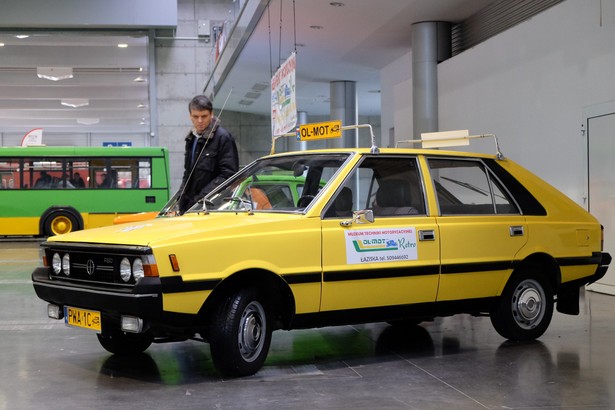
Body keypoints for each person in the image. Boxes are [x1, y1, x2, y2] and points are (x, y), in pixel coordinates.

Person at [178, 94, 239, 214]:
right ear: (190, 116)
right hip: (190, 206)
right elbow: (188, 173)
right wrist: (180, 197)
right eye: (196, 116)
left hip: (213, 207)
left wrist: (200, 200)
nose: (200, 121)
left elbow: (229, 175)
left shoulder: (223, 138)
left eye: (204, 116)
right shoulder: (191, 139)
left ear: (211, 115)